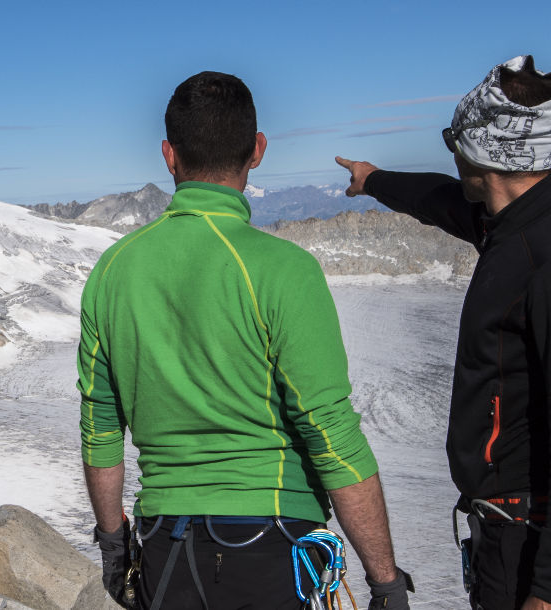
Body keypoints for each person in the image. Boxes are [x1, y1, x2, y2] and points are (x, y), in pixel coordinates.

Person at [80, 70, 412, 610]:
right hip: (274, 547)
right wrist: (386, 582)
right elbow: (329, 432)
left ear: (169, 154)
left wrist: (115, 545)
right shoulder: (285, 270)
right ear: (257, 150)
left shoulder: (112, 270)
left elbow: (99, 428)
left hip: (165, 548)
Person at [335, 56, 551, 610]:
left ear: (483, 152)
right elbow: (442, 201)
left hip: (528, 543)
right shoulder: (517, 226)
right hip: (505, 528)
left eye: (454, 140)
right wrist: (374, 181)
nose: (450, 152)